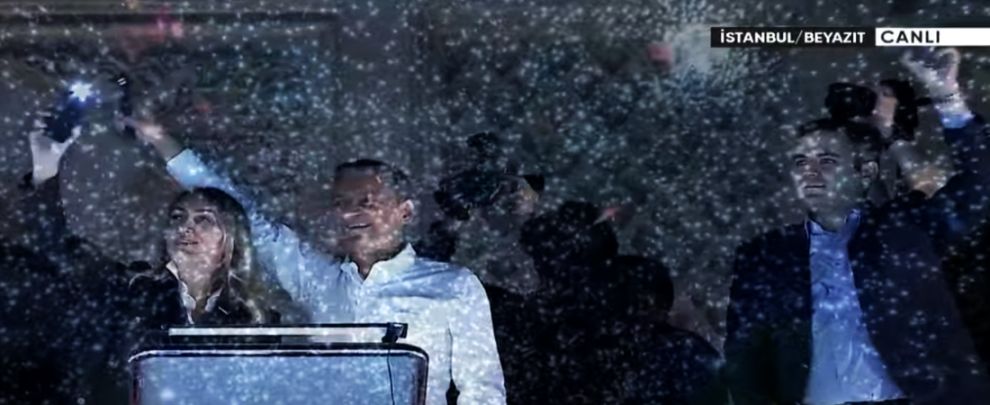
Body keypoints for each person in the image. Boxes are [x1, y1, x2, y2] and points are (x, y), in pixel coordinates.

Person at [123, 119, 506, 404]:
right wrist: (160, 138)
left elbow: (482, 390)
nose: (349, 213)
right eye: (341, 203)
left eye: (366, 202)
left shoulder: (453, 285)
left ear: (404, 211)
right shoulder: (319, 279)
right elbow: (245, 215)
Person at [725, 48, 990, 404]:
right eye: (800, 162)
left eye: (827, 161)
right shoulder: (763, 257)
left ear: (866, 172)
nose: (809, 172)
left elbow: (980, 186)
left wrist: (946, 96)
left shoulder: (904, 229)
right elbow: (745, 361)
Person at [7, 115, 286, 403]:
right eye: (178, 217)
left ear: (231, 238)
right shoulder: (131, 292)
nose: (185, 227)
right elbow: (59, 249)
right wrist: (45, 171)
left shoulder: (255, 321)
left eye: (203, 220)